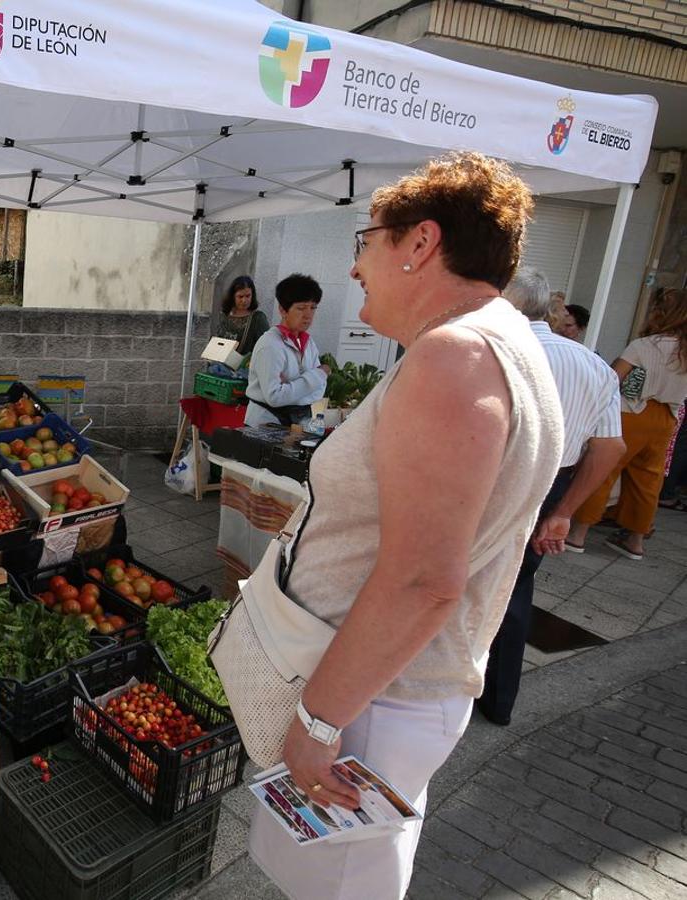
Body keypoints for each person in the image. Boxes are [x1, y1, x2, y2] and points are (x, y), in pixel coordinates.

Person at [246, 152, 562, 900]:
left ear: (419, 244)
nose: (355, 265)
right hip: (387, 688)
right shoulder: (502, 344)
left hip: (372, 699)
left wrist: (318, 725)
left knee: (341, 885)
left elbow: (424, 581)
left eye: (366, 239)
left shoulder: (455, 357)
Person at [478, 269, 623, 726]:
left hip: (496, 477)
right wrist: (563, 512)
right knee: (516, 584)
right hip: (555, 481)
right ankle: (498, 700)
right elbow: (609, 447)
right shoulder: (594, 365)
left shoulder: (499, 351)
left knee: (466, 579)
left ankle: (443, 691)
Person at [567, 288, 687, 560]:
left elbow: (612, 378)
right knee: (648, 480)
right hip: (667, 418)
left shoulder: (645, 346)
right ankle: (635, 540)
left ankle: (578, 534)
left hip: (633, 413)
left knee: (604, 470)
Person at [243, 273, 328, 428]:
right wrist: (318, 374)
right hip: (266, 423)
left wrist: (291, 386)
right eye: (301, 308)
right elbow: (275, 397)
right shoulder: (270, 345)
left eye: (313, 308)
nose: (308, 315)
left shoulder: (309, 343)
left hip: (298, 422)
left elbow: (319, 391)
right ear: (283, 310)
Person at [213, 274, 269, 356]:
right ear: (233, 297)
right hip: (220, 364)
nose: (244, 300)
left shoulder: (258, 318)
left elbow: (265, 347)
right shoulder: (224, 316)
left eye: (248, 296)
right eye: (240, 296)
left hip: (245, 366)